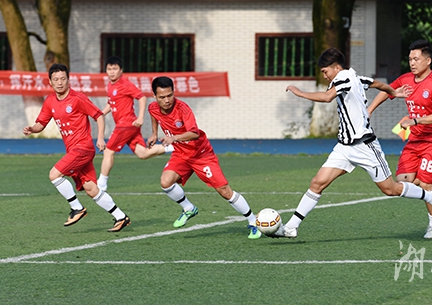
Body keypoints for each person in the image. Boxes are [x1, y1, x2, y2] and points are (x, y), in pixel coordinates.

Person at [271, 47, 432, 239]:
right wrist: (393, 92)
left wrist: (299, 92)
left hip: (365, 146)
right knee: (317, 182)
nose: (324, 76)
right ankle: (291, 227)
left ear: (336, 67)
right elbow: (375, 83)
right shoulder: (355, 77)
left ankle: (430, 196)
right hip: (344, 147)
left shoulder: (343, 78)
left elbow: (327, 97)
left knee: (390, 189)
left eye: (325, 71)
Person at [147, 76, 261, 239]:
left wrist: (174, 138)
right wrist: (154, 133)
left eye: (170, 95)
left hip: (201, 154)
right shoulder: (152, 107)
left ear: (174, 92)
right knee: (165, 182)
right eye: (162, 97)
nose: (167, 100)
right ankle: (189, 208)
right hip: (181, 154)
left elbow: (194, 133)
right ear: (154, 96)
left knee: (224, 190)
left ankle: (253, 221)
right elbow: (154, 115)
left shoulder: (183, 109)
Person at [22, 63, 131, 232]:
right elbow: (41, 123)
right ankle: (121, 217)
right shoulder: (50, 101)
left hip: (83, 148)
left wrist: (100, 138)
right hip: (73, 150)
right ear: (50, 82)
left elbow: (99, 115)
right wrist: (32, 129)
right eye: (56, 79)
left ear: (68, 79)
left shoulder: (77, 98)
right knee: (91, 189)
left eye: (63, 79)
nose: (60, 82)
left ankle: (77, 208)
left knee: (54, 174)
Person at [368, 39, 432, 239]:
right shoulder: (406, 79)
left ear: (428, 61)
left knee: (425, 185)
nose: (412, 63)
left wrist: (416, 120)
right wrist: (369, 110)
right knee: (403, 181)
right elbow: (387, 90)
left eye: (416, 59)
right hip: (415, 139)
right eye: (410, 59)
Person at [98, 56, 170, 191]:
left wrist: (141, 117)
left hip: (126, 124)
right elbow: (111, 103)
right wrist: (101, 113)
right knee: (143, 153)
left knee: (108, 151)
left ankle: (101, 185)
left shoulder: (125, 84)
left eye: (115, 69)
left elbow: (141, 97)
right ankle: (173, 147)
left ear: (121, 70)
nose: (112, 72)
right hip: (129, 126)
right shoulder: (110, 85)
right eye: (109, 69)